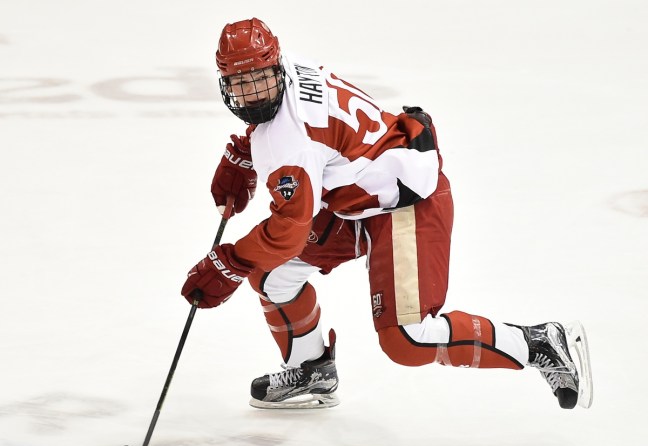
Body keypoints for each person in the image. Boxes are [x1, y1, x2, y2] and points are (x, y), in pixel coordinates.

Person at [181, 18, 593, 410]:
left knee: (407, 341)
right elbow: (297, 134)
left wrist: (230, 262)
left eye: (258, 79)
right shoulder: (287, 73)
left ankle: (540, 342)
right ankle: (311, 369)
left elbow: (288, 228)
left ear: (275, 66)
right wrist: (246, 151)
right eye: (240, 82)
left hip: (406, 203)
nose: (252, 91)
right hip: (359, 193)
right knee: (273, 275)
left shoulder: (292, 143)